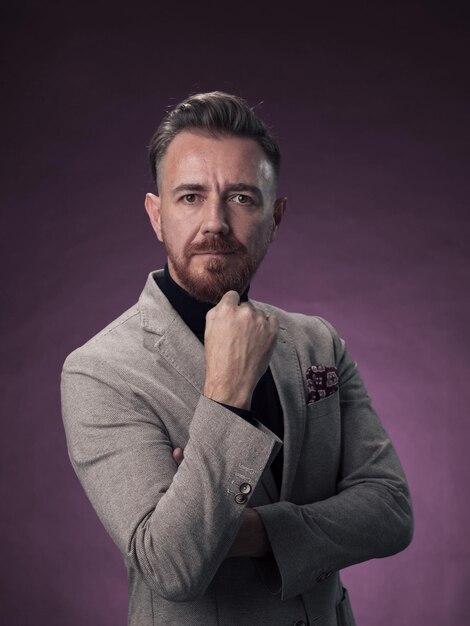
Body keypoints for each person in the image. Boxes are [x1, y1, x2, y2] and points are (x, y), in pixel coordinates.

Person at [61, 91, 413, 626]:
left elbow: (391, 510)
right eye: (190, 197)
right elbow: (173, 566)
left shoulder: (318, 343)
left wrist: (256, 533)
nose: (216, 222)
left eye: (243, 198)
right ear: (157, 215)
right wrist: (224, 394)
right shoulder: (100, 370)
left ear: (276, 216)